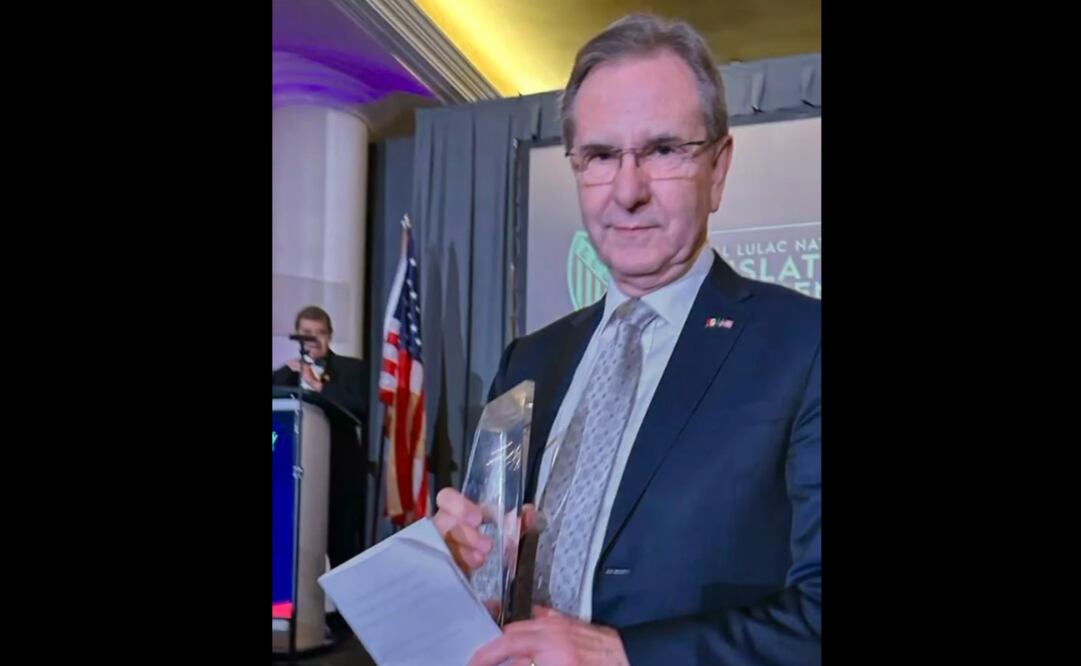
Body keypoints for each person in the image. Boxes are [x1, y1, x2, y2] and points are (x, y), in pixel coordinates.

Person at [435, 14, 821, 666]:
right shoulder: (528, 360)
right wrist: (465, 571)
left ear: (718, 169)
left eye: (664, 150)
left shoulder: (803, 345)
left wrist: (619, 655)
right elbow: (489, 582)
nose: (627, 191)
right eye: (600, 156)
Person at [272, 305, 369, 569]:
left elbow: (359, 408)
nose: (312, 340)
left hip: (340, 480)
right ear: (295, 335)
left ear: (330, 335)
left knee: (345, 557)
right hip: (293, 484)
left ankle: (347, 611)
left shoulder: (352, 370)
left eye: (319, 333)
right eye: (306, 333)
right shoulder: (280, 377)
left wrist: (318, 385)